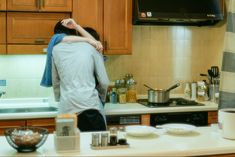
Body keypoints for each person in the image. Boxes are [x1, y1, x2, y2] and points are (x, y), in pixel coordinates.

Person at [52, 19, 110, 131]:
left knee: (69, 147)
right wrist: (101, 99)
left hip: (67, 110)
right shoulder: (90, 48)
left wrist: (61, 98)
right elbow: (104, 81)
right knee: (96, 146)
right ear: (75, 33)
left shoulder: (55, 50)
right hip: (90, 107)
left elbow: (55, 81)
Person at [40, 19, 103, 87]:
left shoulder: (58, 49)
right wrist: (78, 28)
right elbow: (96, 45)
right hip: (92, 94)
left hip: (70, 95)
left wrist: (77, 28)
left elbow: (96, 45)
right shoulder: (88, 51)